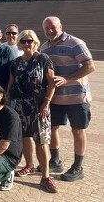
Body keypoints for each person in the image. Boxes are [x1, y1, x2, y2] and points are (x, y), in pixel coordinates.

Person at [40, 16, 95, 182]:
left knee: (78, 130)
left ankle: (78, 167)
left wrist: (67, 79)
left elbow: (90, 66)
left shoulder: (75, 42)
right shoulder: (44, 47)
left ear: (61, 26)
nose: (50, 31)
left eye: (53, 27)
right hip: (56, 98)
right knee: (53, 128)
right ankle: (55, 161)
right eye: (46, 29)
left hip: (77, 97)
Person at [7, 30, 57, 193]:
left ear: (35, 42)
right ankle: (29, 165)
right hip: (19, 105)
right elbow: (11, 83)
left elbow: (51, 83)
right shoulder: (16, 62)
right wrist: (8, 103)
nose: (27, 44)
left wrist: (46, 103)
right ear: (19, 44)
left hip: (38, 105)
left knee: (41, 140)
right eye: (23, 41)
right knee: (25, 136)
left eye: (29, 41)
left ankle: (45, 176)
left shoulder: (43, 59)